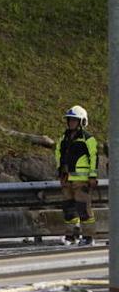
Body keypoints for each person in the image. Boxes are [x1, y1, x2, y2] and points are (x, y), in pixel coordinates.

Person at [55, 105, 98, 245]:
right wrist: (60, 171)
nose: (71, 122)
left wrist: (92, 176)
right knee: (69, 209)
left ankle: (88, 237)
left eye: (74, 120)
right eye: (70, 120)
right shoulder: (64, 138)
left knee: (83, 209)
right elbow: (58, 154)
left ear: (82, 122)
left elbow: (94, 157)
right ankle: (71, 236)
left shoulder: (88, 139)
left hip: (82, 180)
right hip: (67, 179)